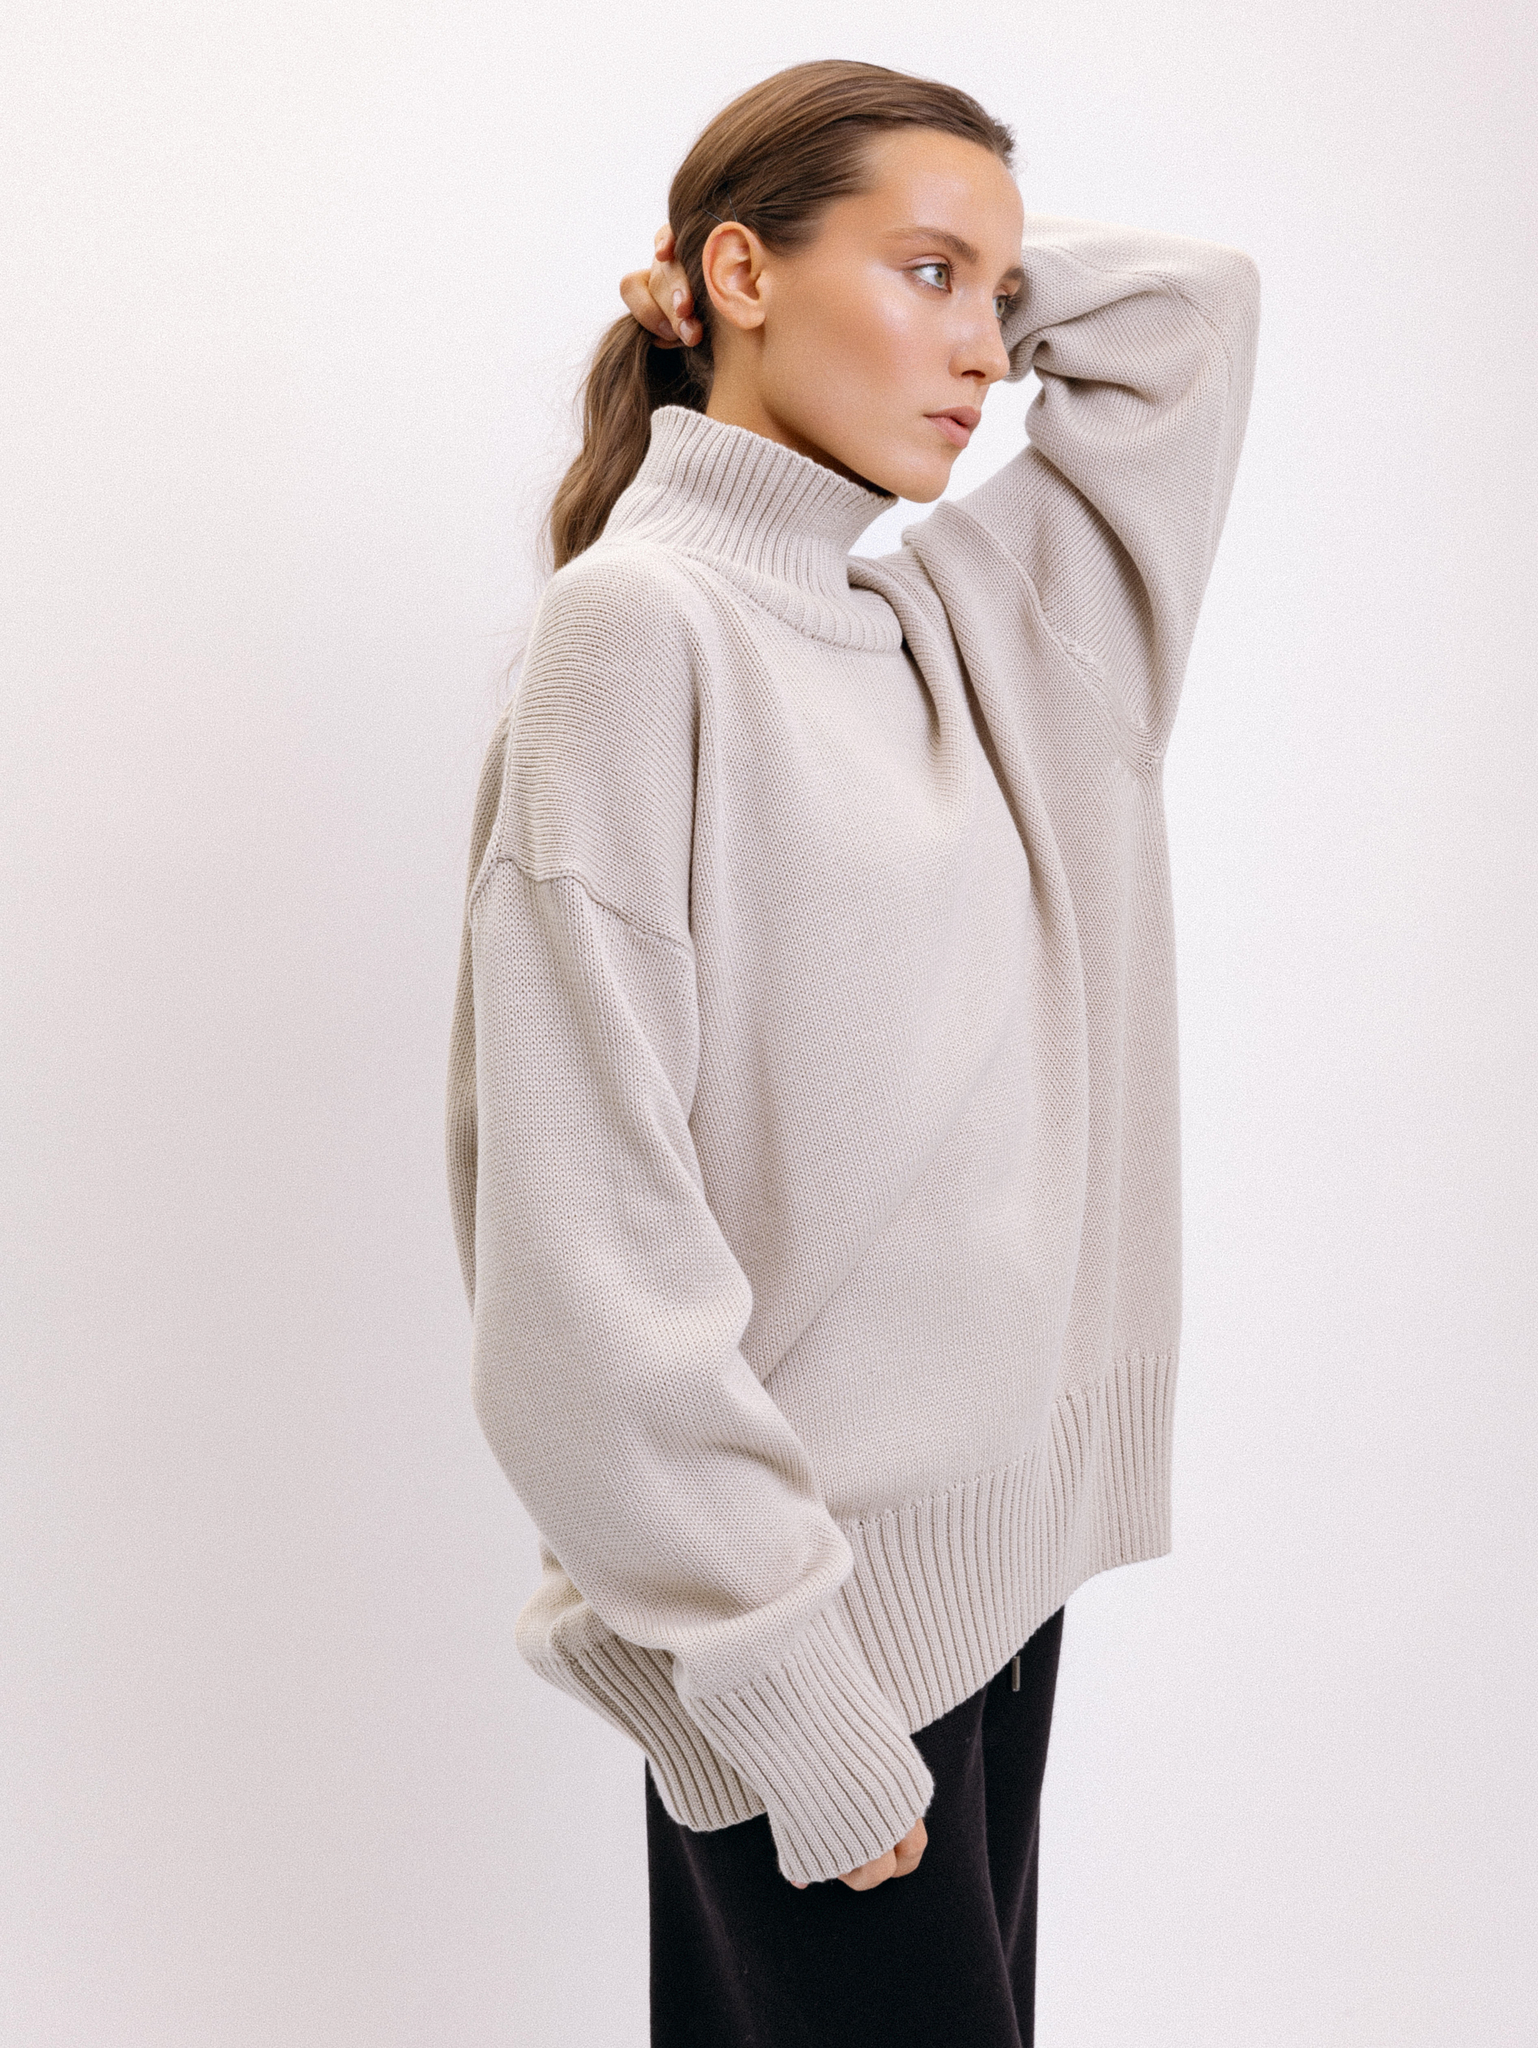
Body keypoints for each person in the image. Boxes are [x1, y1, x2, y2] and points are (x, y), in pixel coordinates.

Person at [446, 56, 1259, 2048]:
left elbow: (1193, 313)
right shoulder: (642, 634)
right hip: (808, 1643)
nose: (983, 348)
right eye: (924, 275)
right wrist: (777, 1678)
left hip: (989, 1605)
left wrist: (920, 252)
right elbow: (578, 1235)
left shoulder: (978, 635)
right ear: (737, 274)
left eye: (999, 291)